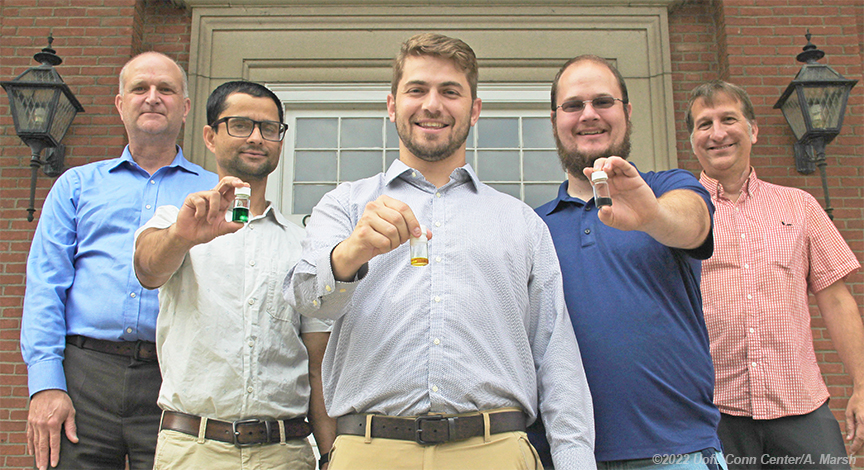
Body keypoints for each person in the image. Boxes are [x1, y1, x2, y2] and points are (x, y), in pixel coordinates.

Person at [283, 33, 595, 470]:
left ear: (475, 109)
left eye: (450, 92)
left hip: (496, 451)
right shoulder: (345, 205)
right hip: (369, 451)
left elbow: (554, 351)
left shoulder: (521, 222)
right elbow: (305, 299)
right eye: (417, 90)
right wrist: (350, 253)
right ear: (392, 104)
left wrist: (575, 459)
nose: (432, 105)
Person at [19, 51, 217, 470]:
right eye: (140, 88)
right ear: (119, 103)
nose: (152, 98)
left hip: (178, 379)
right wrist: (45, 385)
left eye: (166, 89)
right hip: (84, 375)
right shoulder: (76, 185)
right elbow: (45, 286)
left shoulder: (216, 192)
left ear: (184, 107)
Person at [531, 55, 725, 469]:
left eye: (603, 101)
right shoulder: (531, 227)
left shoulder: (668, 186)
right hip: (563, 455)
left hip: (677, 452)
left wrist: (651, 215)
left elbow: (691, 223)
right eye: (573, 105)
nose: (588, 115)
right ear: (554, 120)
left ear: (627, 111)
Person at [133, 80, 335, 469]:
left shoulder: (305, 244)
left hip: (285, 452)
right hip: (194, 448)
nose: (257, 137)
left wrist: (329, 455)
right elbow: (147, 268)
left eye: (269, 128)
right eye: (240, 125)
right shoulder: (175, 222)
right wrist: (180, 236)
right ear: (210, 136)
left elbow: (317, 364)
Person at [686, 80, 864, 469]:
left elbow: (836, 299)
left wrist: (862, 387)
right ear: (692, 140)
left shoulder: (800, 206)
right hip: (713, 412)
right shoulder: (680, 213)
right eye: (704, 124)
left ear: (753, 130)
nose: (717, 133)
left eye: (728, 119)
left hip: (801, 407)